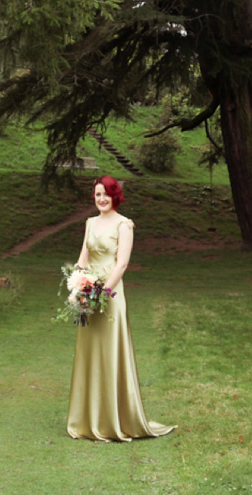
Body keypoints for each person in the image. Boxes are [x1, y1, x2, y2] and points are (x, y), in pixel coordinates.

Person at [66, 174, 175, 441]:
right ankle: (88, 419)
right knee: (89, 352)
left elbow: (122, 264)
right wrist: (78, 285)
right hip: (88, 293)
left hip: (110, 295)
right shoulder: (90, 223)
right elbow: (84, 257)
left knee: (110, 352)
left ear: (115, 196)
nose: (101, 199)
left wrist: (102, 292)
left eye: (106, 194)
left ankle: (114, 420)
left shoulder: (124, 225)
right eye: (97, 194)